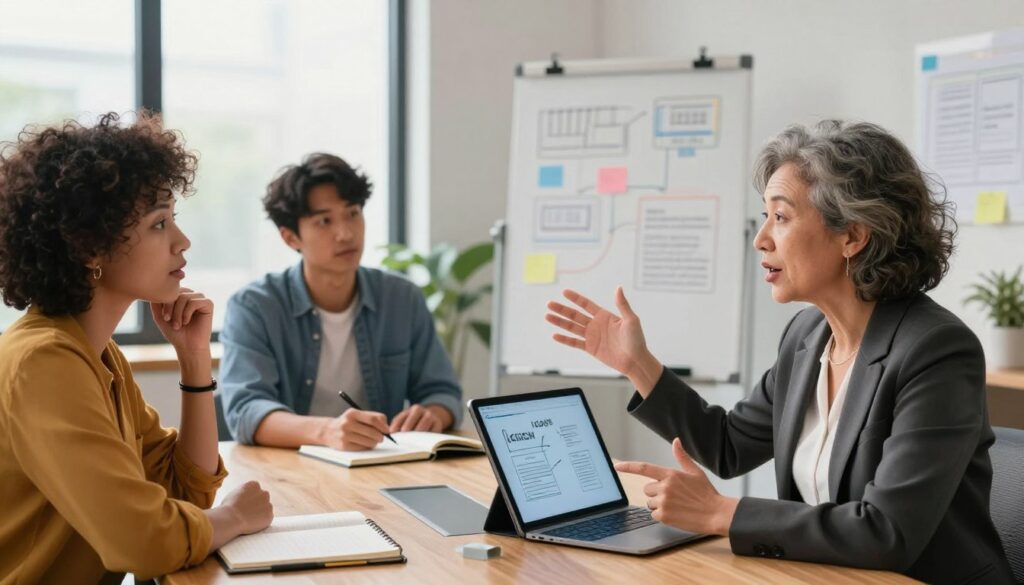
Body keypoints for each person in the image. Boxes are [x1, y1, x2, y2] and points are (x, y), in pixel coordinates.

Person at [545, 121, 1013, 584]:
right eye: (765, 216)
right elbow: (728, 446)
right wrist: (638, 364)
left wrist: (721, 514)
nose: (761, 238)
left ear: (852, 236)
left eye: (781, 217)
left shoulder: (936, 351)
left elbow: (886, 531)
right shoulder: (807, 336)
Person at [0, 113, 273, 583]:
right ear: (90, 248)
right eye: (159, 224)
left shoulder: (97, 353)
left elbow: (184, 491)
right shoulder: (44, 362)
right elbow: (143, 540)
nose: (182, 242)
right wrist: (236, 518)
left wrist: (193, 361)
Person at [219, 153, 462, 451]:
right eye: (324, 221)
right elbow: (246, 411)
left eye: (353, 213)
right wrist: (327, 431)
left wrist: (432, 413)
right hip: (288, 470)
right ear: (291, 238)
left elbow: (442, 391)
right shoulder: (254, 307)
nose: (346, 233)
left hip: (378, 464)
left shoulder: (401, 298)